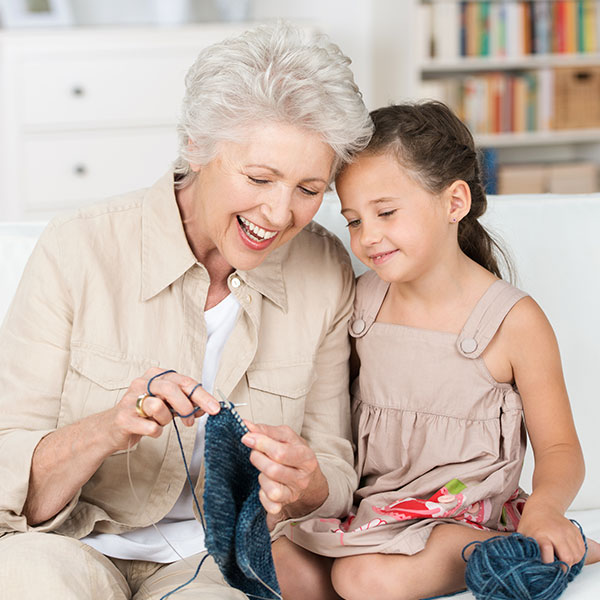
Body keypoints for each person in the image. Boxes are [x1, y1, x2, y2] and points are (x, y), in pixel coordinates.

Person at [0, 23, 373, 599]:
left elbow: (334, 470)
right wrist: (107, 429)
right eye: (260, 178)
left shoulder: (324, 271)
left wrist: (306, 482)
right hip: (66, 543)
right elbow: (9, 477)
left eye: (309, 188)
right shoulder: (78, 248)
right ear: (196, 146)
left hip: (214, 562)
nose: (279, 214)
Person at [272, 101, 600, 600]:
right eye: (355, 220)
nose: (367, 237)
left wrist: (547, 509)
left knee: (362, 579)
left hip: (464, 511)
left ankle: (503, 550)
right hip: (377, 510)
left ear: (454, 203)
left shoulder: (513, 322)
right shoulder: (361, 304)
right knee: (274, 565)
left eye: (385, 212)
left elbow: (559, 448)